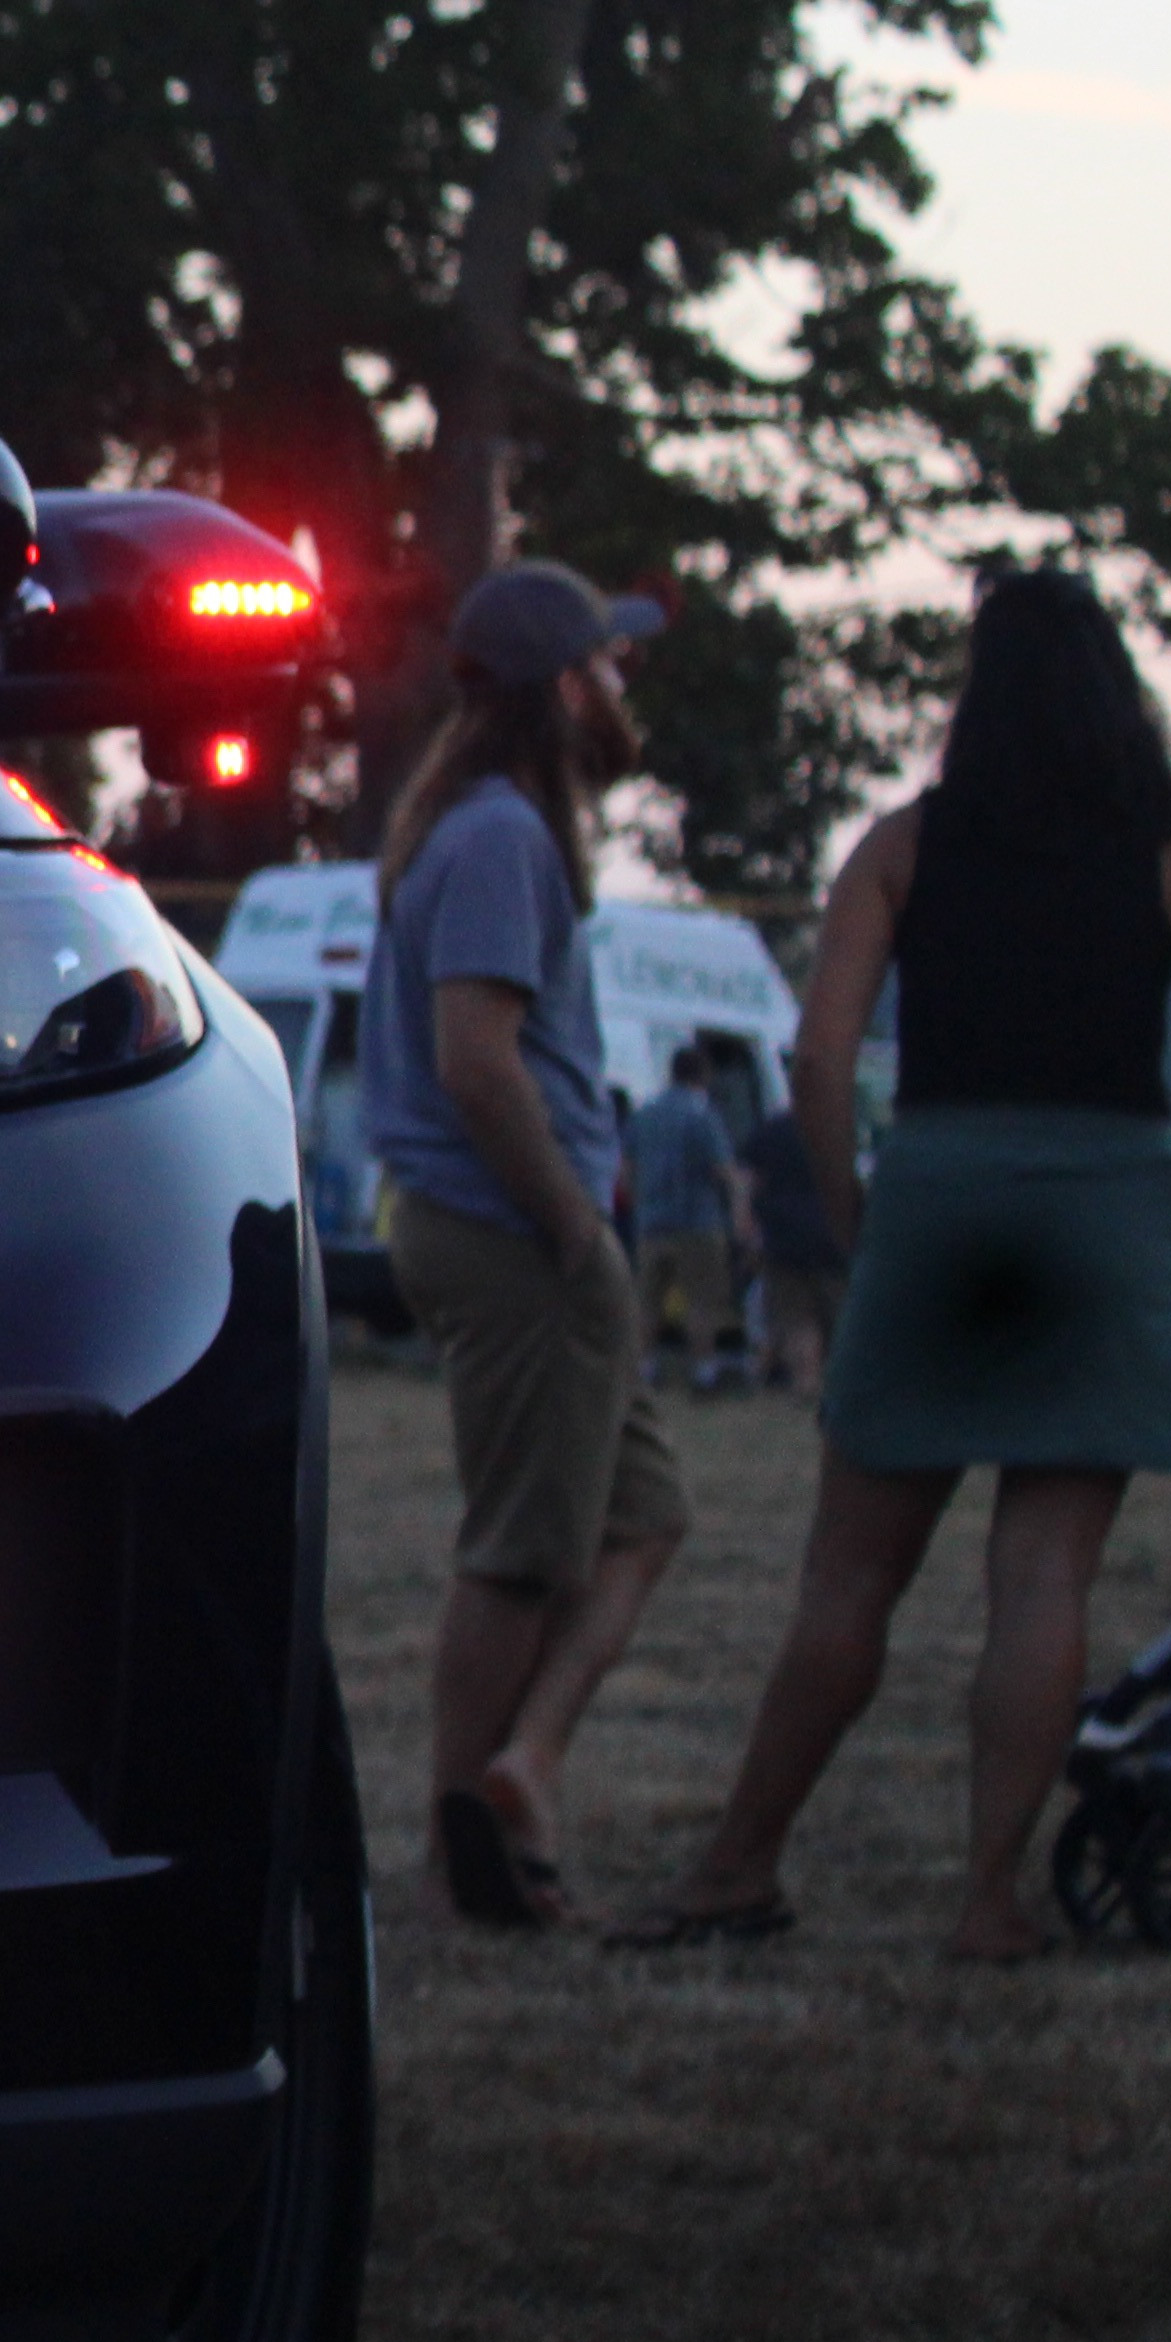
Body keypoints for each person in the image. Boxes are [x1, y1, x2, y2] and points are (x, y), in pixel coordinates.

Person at [620, 570, 1171, 1964]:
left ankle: (737, 1866)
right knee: (1043, 1576)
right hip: (1111, 1210)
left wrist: (861, 1208)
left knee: (851, 1578)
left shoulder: (904, 848)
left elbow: (817, 1055)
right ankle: (991, 1898)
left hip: (941, 1200)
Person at [363, 557, 688, 1928]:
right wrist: (574, 1230)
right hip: (513, 1231)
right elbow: (478, 1063)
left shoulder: (491, 826)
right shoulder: (502, 836)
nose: (622, 687)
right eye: (609, 665)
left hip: (516, 1225)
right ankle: (458, 1872)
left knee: (645, 1516)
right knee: (519, 1550)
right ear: (565, 689)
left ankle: (524, 1767)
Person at [625, 1038, 746, 1393]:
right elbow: (722, 1170)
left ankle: (642, 1371)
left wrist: (641, 1202)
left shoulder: (644, 1114)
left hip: (651, 1223)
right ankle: (703, 1373)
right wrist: (739, 1208)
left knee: (648, 1303)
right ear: (704, 1075)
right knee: (701, 1301)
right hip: (698, 1223)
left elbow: (626, 1170)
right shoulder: (702, 1115)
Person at [742, 1065, 848, 1391]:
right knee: (838, 1315)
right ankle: (837, 1384)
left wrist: (749, 1230)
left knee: (797, 1319)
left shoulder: (769, 1132)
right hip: (831, 1236)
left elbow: (748, 1185)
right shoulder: (836, 1129)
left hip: (782, 1237)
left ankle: (806, 1382)